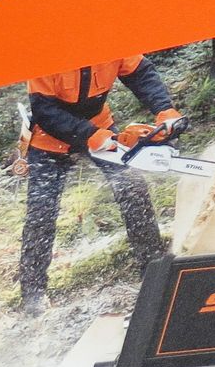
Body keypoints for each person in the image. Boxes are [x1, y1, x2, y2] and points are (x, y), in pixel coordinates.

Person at [17, 56, 184, 315]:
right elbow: (45, 111)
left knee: (132, 187)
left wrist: (165, 109)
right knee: (41, 213)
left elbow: (141, 74)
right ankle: (33, 293)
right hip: (48, 139)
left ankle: (153, 267)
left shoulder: (110, 44)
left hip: (100, 127)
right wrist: (89, 135)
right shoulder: (47, 56)